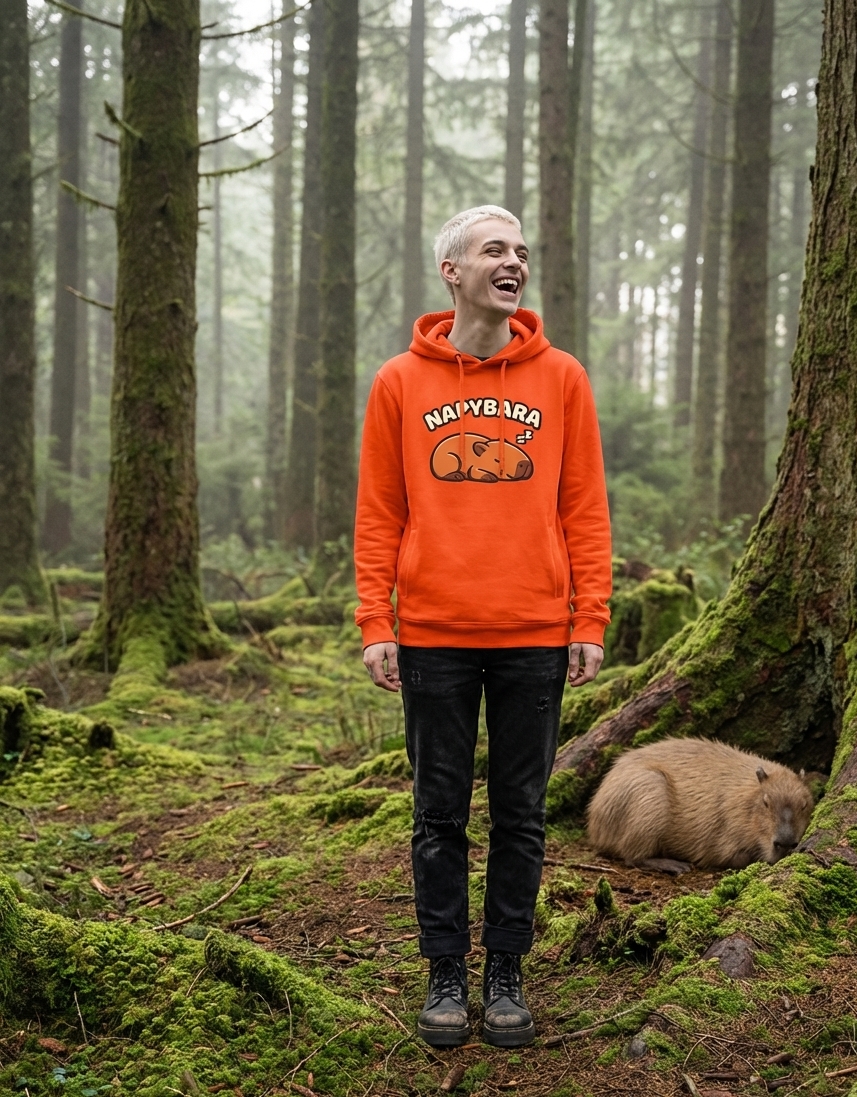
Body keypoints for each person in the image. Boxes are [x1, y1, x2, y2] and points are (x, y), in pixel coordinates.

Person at [354, 205, 611, 1048]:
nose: (515, 262)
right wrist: (373, 618)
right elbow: (379, 514)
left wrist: (589, 615)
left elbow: (584, 509)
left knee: (522, 814)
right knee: (437, 815)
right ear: (452, 272)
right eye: (495, 250)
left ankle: (504, 972)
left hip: (535, 631)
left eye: (522, 252)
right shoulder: (400, 381)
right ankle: (443, 973)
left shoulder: (562, 377)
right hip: (433, 633)